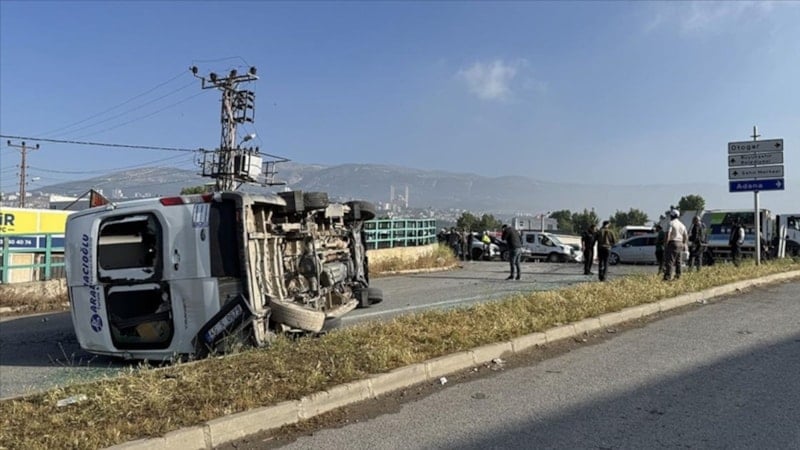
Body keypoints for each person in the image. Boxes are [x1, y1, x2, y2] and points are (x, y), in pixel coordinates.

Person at [663, 209, 688, 281]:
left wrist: (666, 244)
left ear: (672, 216)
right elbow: (686, 236)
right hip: (680, 243)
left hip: (673, 243)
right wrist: (684, 244)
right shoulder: (682, 225)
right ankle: (678, 276)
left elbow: (668, 234)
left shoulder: (671, 223)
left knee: (670, 261)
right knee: (678, 261)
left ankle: (667, 277)